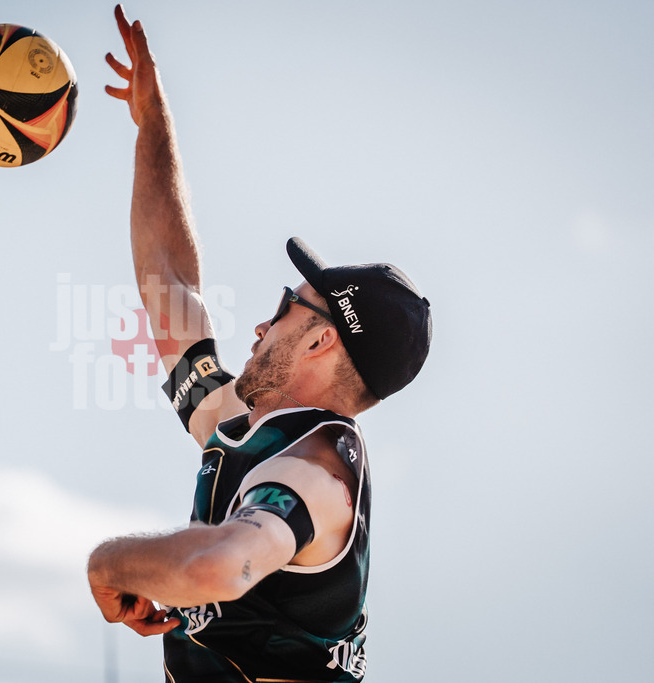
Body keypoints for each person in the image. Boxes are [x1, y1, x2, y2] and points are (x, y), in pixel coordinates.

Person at [87, 6, 432, 681]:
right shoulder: (252, 429)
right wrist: (152, 121)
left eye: (283, 307)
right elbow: (168, 282)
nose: (260, 325)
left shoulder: (316, 470)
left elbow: (220, 564)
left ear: (322, 339)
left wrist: (108, 563)